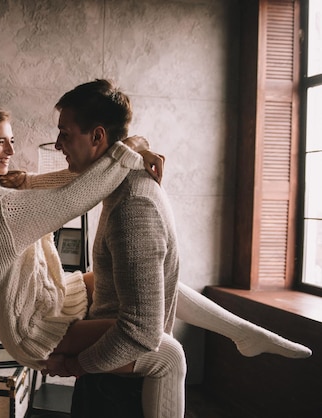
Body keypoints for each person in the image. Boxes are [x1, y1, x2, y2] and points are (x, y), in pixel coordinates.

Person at [0, 104, 186, 418]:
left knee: (139, 278)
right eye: (0, 141)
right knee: (169, 355)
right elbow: (74, 197)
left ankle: (241, 333)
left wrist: (133, 156)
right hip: (35, 326)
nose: (11, 150)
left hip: (55, 297)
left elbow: (70, 179)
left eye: (11, 140)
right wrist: (131, 147)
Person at [34, 79, 312, 417]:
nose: (59, 143)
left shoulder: (132, 206)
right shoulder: (122, 183)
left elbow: (139, 333)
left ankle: (243, 332)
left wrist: (77, 365)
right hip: (113, 372)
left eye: (66, 133)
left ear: (97, 137)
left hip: (120, 386)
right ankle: (242, 332)